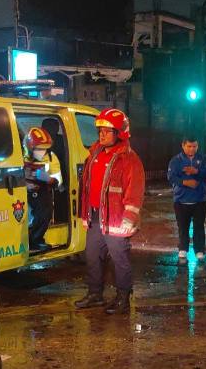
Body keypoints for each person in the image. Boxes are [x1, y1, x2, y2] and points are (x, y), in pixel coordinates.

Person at [74, 108, 145, 315]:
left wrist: (129, 218)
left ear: (120, 133)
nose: (101, 134)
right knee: (92, 256)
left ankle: (123, 298)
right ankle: (95, 294)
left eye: (107, 131)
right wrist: (84, 214)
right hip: (95, 216)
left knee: (119, 260)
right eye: (100, 131)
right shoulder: (95, 153)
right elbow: (86, 186)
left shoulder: (129, 159)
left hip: (116, 219)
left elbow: (135, 191)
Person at [167, 137, 206, 264]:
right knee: (182, 226)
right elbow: (171, 177)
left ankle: (199, 250)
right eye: (189, 146)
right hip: (181, 200)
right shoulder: (176, 160)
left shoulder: (203, 158)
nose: (192, 149)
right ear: (183, 145)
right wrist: (185, 182)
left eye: (194, 146)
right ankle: (183, 248)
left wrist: (196, 171)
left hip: (200, 199)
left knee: (199, 226)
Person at [23, 127, 63, 252]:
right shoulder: (21, 156)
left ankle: (36, 240)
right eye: (39, 149)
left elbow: (58, 179)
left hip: (42, 190)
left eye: (45, 148)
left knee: (45, 214)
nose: (42, 152)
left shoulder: (52, 158)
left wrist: (49, 179)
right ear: (30, 147)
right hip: (23, 191)